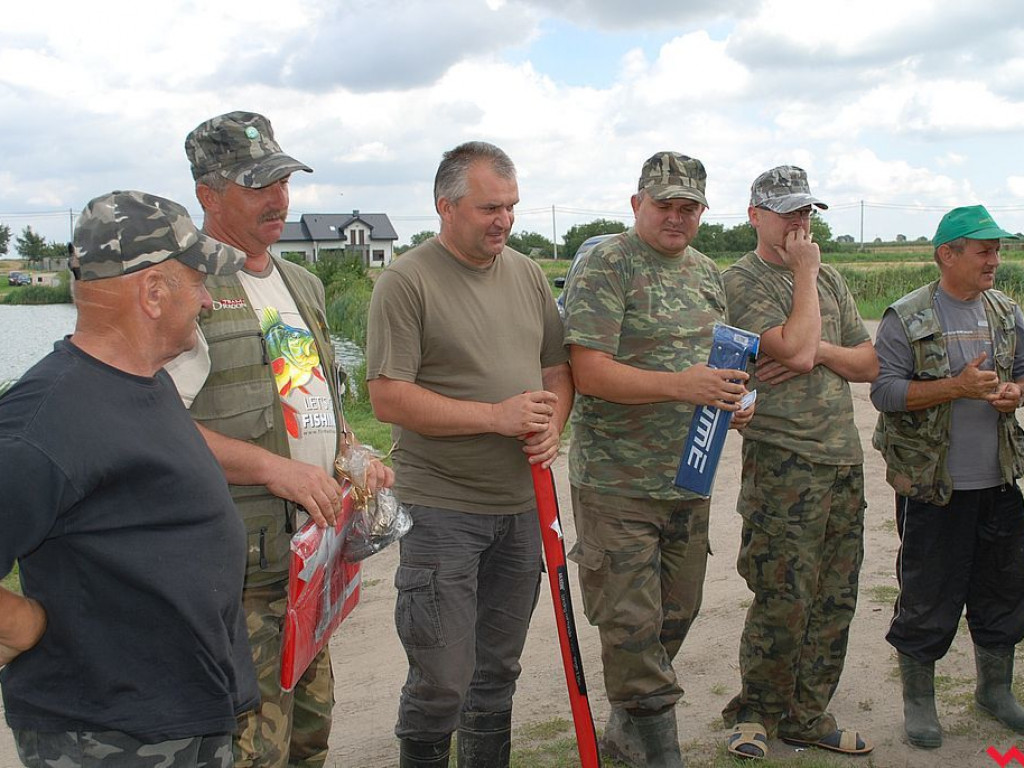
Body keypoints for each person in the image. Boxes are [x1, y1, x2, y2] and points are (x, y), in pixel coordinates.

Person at [167, 111, 393, 768]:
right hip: (235, 576)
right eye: (258, 185)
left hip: (309, 564)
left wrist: (353, 454)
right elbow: (151, 426)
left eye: (284, 181)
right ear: (208, 194)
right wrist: (271, 468)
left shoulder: (302, 283)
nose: (280, 199)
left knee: (309, 737)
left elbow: (313, 400)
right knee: (248, 752)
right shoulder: (181, 287)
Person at [0, 190, 257, 768]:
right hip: (109, 738)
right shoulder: (42, 422)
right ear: (153, 292)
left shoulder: (146, 380)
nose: (209, 301)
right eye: (198, 282)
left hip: (181, 719)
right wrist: (22, 624)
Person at [365, 141, 573, 768]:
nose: (504, 221)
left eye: (511, 206)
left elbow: (557, 368)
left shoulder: (528, 273)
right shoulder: (406, 281)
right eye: (489, 207)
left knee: (497, 672)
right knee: (441, 679)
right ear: (445, 206)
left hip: (520, 509)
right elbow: (387, 398)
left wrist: (551, 422)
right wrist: (496, 416)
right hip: (442, 510)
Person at [562, 151, 753, 768]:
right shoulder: (607, 263)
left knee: (679, 611)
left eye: (689, 207)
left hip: (688, 476)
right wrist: (683, 386)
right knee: (631, 626)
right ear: (636, 203)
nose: (677, 217)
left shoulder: (705, 271)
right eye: (664, 204)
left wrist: (733, 400)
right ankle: (657, 751)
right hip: (617, 483)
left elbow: (715, 364)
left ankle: (627, 728)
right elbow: (588, 372)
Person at [720, 166, 878, 760]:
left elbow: (868, 364)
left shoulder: (831, 280)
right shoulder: (743, 279)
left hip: (842, 458)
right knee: (781, 592)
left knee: (835, 594)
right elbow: (792, 348)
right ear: (755, 214)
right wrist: (805, 280)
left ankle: (808, 716)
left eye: (806, 212)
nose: (799, 223)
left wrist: (818, 352)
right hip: (784, 460)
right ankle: (755, 712)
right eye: (786, 211)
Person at [871, 205, 1024, 749]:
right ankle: (919, 704)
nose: (995, 259)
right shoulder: (906, 316)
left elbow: (1023, 373)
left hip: (1000, 483)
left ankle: (994, 691)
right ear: (948, 254)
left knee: (1002, 592)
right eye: (984, 250)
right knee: (927, 596)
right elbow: (884, 393)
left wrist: (1013, 394)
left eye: (998, 249)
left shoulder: (1006, 311)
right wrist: (953, 388)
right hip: (934, 487)